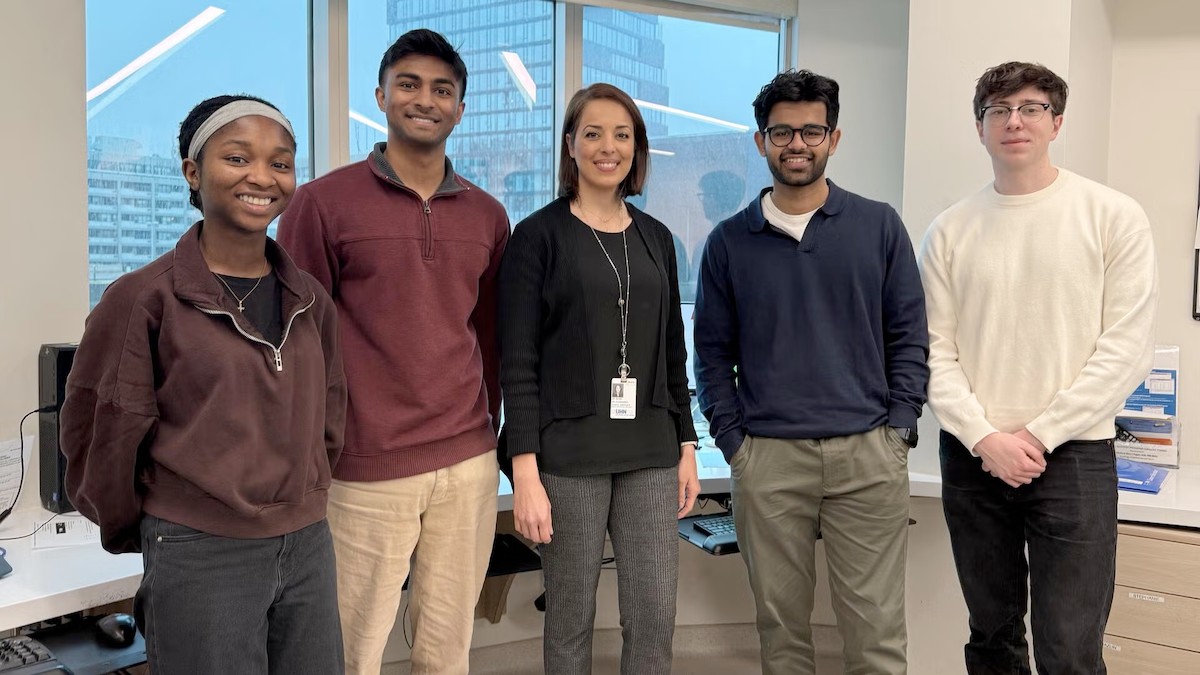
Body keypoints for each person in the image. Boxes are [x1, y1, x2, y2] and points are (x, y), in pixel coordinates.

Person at [60, 95, 347, 675]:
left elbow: (330, 417)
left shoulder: (310, 298)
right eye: (237, 158)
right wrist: (151, 528)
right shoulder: (144, 298)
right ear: (193, 171)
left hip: (308, 541)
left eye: (281, 162)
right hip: (199, 548)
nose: (262, 177)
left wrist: (304, 492)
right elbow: (103, 436)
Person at [277, 28, 509, 675]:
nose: (425, 100)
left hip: (465, 462)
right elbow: (298, 345)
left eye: (442, 90)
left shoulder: (489, 216)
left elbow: (490, 337)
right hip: (364, 467)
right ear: (380, 96)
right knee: (350, 651)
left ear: (461, 108)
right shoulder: (322, 204)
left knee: (446, 650)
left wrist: (487, 432)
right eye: (409, 84)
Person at [919, 61, 1158, 675]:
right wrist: (984, 438)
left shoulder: (1112, 215)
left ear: (1056, 122)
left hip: (1074, 456)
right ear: (980, 128)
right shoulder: (949, 231)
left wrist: (1037, 435)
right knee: (992, 636)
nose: (1014, 121)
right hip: (974, 456)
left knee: (1071, 647)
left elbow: (1125, 349)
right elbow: (931, 352)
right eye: (998, 111)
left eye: (1029, 108)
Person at [694, 69, 928, 675]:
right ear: (760, 142)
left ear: (833, 138)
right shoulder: (728, 242)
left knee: (875, 630)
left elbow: (909, 336)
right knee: (781, 628)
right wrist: (735, 445)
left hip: (869, 456)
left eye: (811, 131)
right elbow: (712, 355)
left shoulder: (879, 226)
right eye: (782, 132)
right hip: (768, 460)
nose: (797, 144)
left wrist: (900, 427)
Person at [498, 82, 700, 675]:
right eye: (593, 133)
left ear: (637, 148)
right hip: (567, 458)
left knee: (653, 613)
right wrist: (524, 472)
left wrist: (686, 444)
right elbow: (518, 362)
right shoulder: (536, 237)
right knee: (569, 615)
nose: (607, 147)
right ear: (570, 145)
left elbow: (672, 352)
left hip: (652, 452)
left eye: (622, 134)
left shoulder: (658, 238)